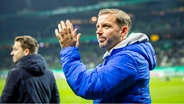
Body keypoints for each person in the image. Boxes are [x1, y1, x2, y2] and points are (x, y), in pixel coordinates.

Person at [55, 8, 156, 103]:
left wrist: (68, 51)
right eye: (98, 26)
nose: (98, 31)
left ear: (123, 31)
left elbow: (87, 86)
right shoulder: (117, 57)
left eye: (106, 26)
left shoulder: (129, 59)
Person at [0, 35, 60, 103]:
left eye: (15, 49)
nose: (11, 53)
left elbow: (5, 101)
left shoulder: (15, 73)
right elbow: (55, 101)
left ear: (26, 52)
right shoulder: (49, 73)